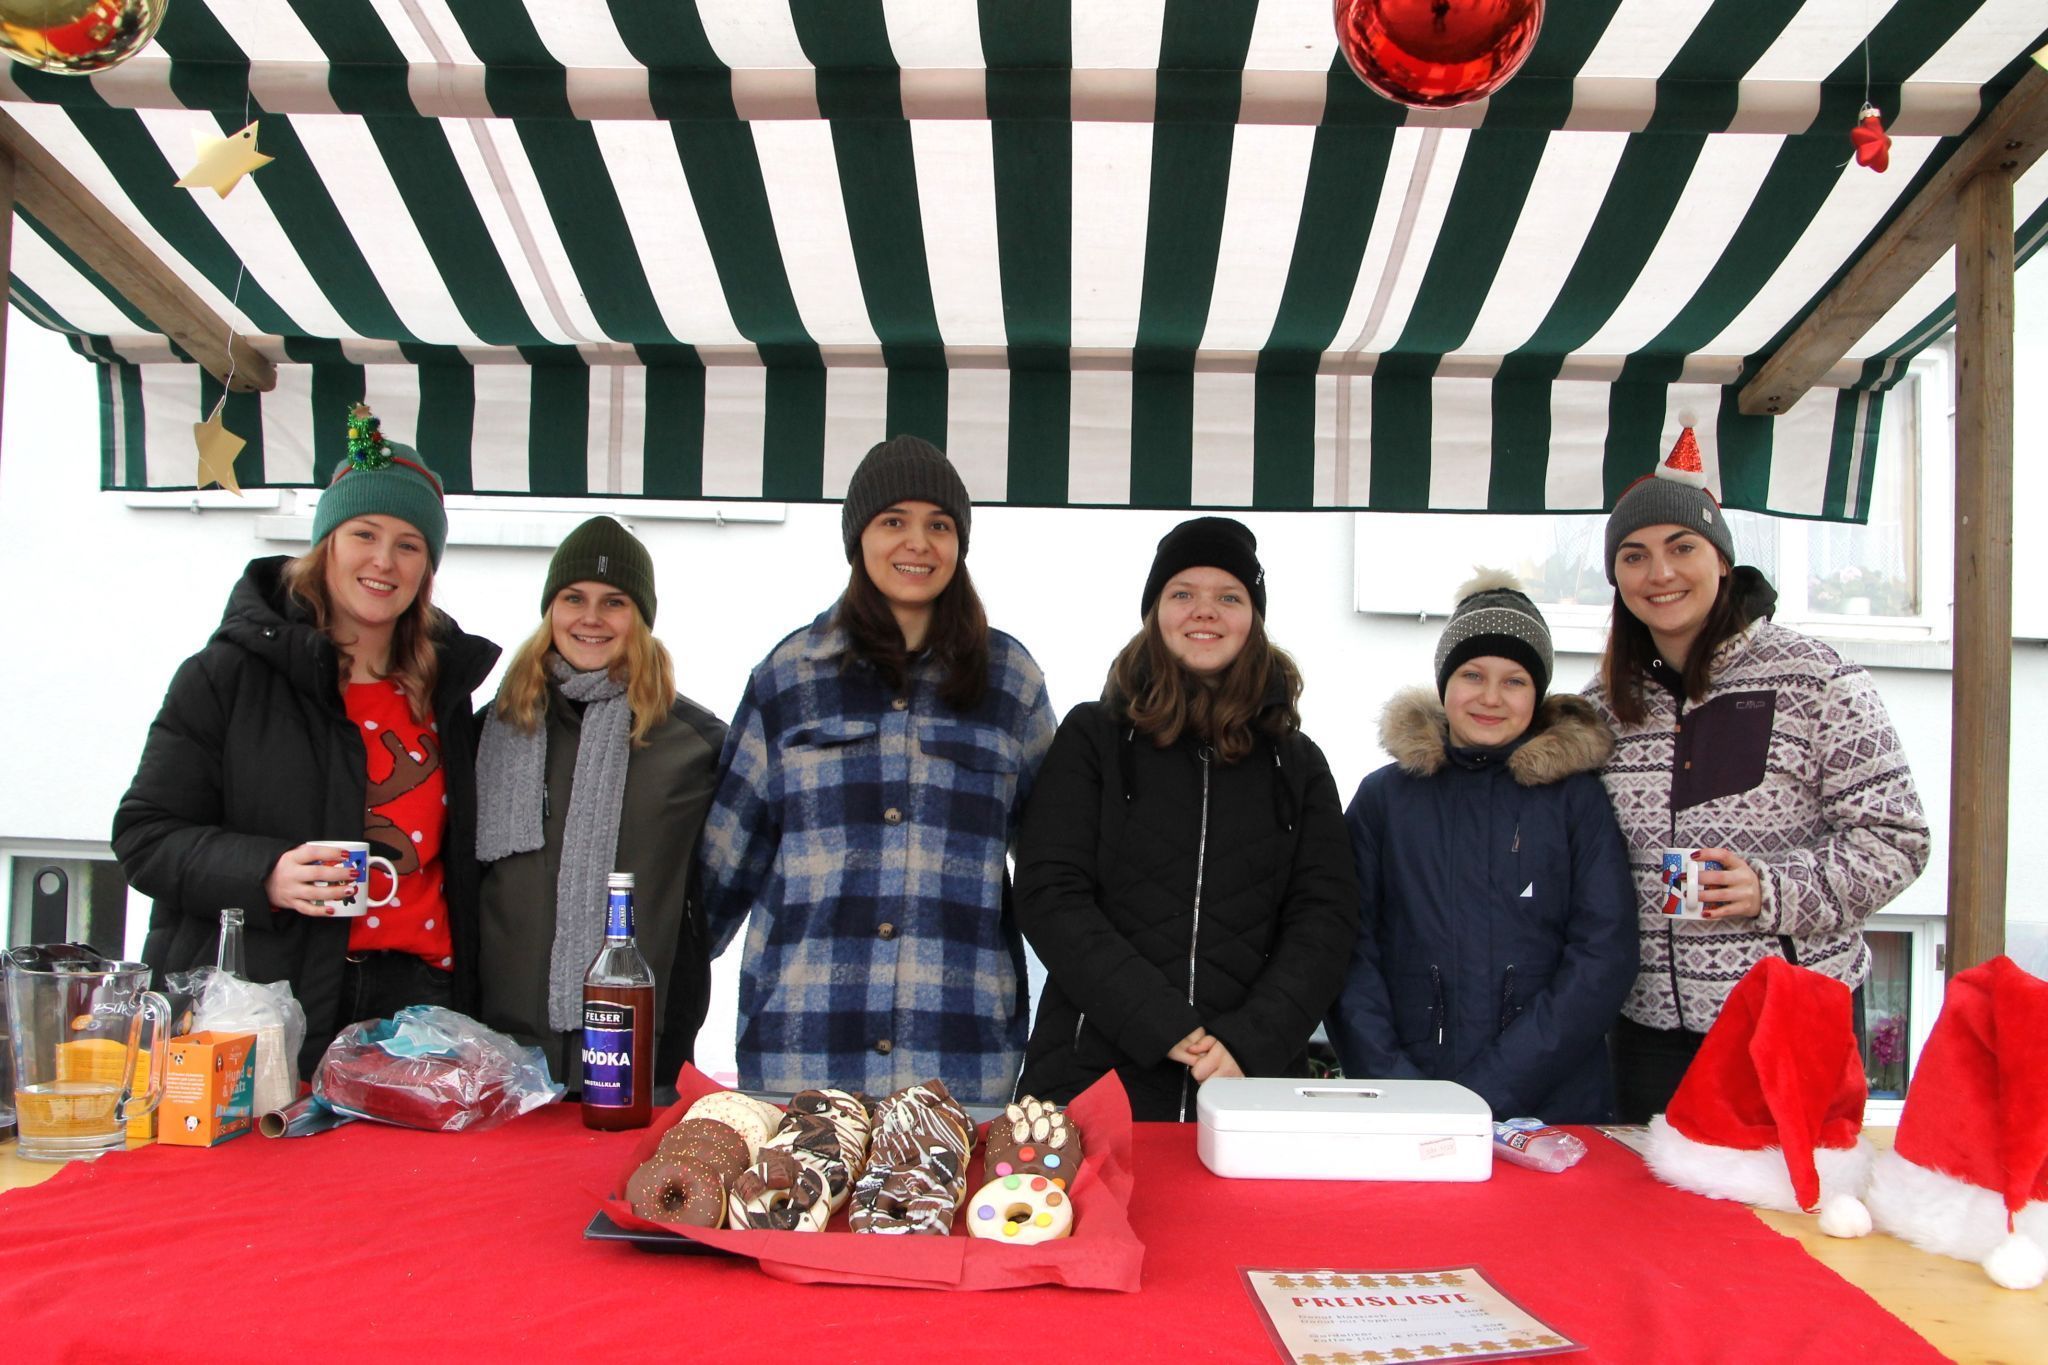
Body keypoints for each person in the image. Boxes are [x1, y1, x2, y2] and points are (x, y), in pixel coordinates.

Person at [114, 406, 499, 1077]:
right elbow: (144, 836)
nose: (384, 561)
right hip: (266, 998)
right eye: (365, 533)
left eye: (409, 544)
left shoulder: (444, 694)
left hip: (418, 1006)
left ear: (427, 568)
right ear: (325, 542)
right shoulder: (227, 676)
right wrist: (266, 872)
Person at [1584, 427, 1931, 1122]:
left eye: (1681, 548)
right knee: (1656, 1220)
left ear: (1721, 559)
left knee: (1783, 1221)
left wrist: (1769, 888)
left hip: (1787, 1017)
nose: (1660, 574)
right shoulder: (1604, 707)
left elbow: (1897, 840)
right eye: (1634, 555)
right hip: (1649, 1029)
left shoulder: (1816, 679)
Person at [699, 435, 1056, 1105]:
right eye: (894, 521)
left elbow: (1054, 873)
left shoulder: (1011, 683)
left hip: (960, 1058)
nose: (918, 543)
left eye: (940, 525)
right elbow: (718, 876)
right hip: (800, 1053)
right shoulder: (788, 677)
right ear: (858, 537)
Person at [1014, 517, 1358, 1121]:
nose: (1206, 612)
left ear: (1253, 617)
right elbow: (1050, 893)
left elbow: (1325, 919)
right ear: (1155, 611)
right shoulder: (1093, 738)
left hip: (1249, 1090)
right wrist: (1160, 1022)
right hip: (1091, 1080)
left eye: (1229, 597)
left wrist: (1251, 1039)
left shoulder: (1296, 763)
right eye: (1183, 594)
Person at [1326, 572, 1636, 1123]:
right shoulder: (1385, 798)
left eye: (1514, 681)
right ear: (1445, 682)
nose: (1491, 698)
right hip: (1410, 1101)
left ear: (1537, 693)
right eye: (1472, 674)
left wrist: (1492, 1089)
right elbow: (1347, 948)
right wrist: (1395, 1083)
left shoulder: (1574, 800)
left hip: (1551, 1104)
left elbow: (1602, 954)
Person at [474, 516, 727, 1089]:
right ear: (550, 610)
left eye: (614, 602)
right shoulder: (488, 735)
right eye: (574, 598)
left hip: (642, 1050)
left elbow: (735, 876)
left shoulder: (696, 743)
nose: (590, 618)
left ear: (640, 619)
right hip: (501, 1053)